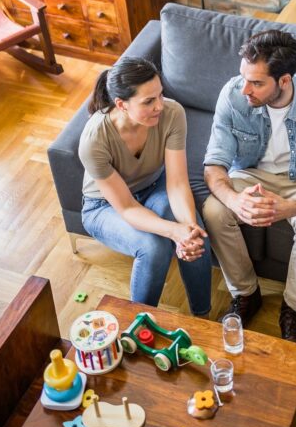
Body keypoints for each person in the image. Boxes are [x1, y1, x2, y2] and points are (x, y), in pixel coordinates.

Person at [203, 30, 296, 346]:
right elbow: (214, 166)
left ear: (284, 81)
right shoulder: (233, 94)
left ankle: (294, 309)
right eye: (244, 77)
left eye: (256, 83)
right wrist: (235, 199)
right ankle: (246, 294)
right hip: (251, 175)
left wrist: (290, 207)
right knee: (214, 210)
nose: (245, 88)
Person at [79, 57, 211, 316]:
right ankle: (139, 327)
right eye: (148, 101)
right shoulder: (94, 140)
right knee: (153, 247)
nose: (159, 106)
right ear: (121, 104)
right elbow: (127, 208)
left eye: (160, 95)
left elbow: (176, 183)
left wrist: (187, 229)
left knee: (196, 232)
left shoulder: (173, 113)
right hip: (106, 206)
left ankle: (204, 318)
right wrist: (175, 232)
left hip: (154, 186)